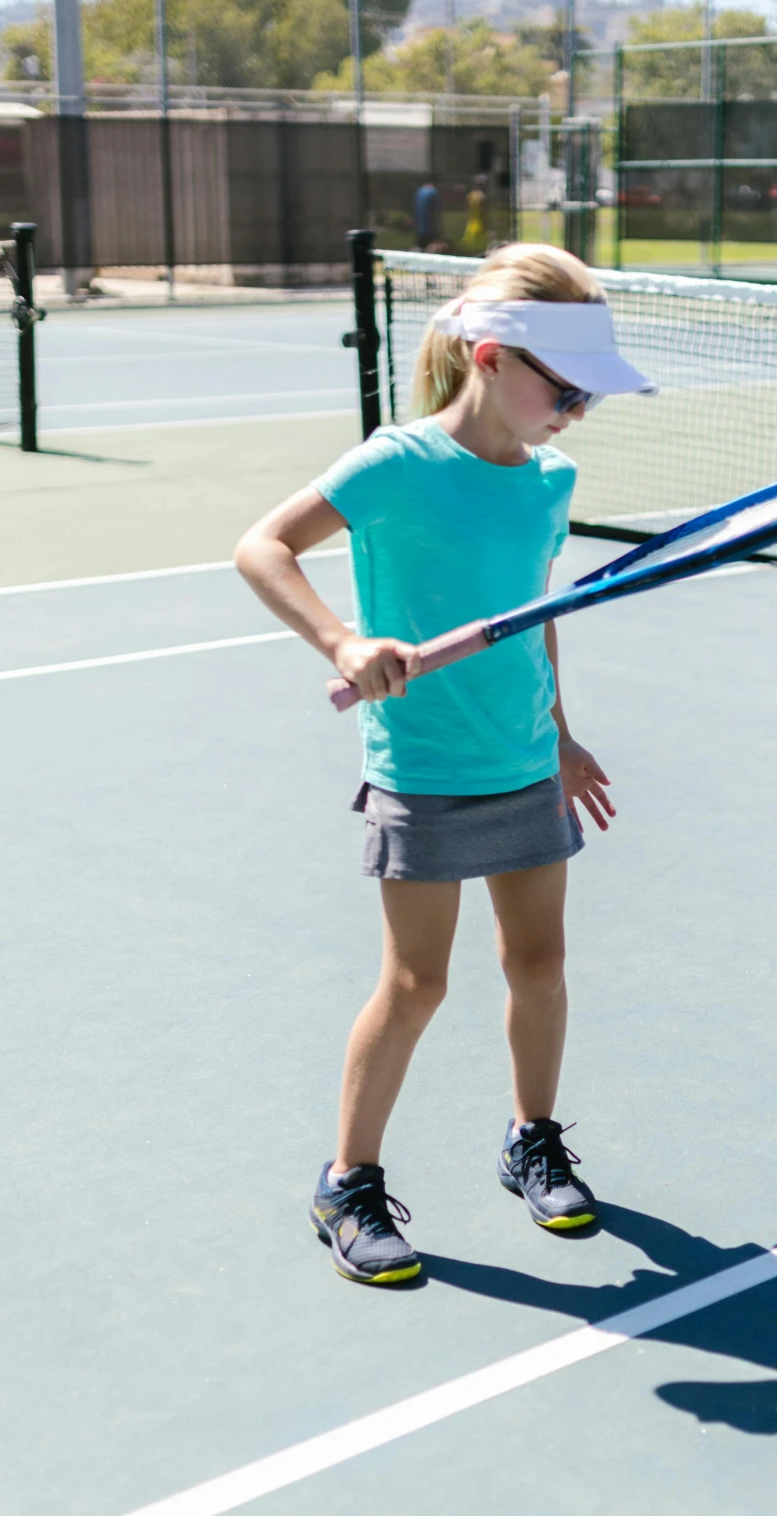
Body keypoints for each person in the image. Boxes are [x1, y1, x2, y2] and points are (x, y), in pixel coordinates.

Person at [235, 244, 656, 1286]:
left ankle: (533, 1139)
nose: (574, 414)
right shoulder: (398, 464)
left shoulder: (550, 479)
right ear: (488, 356)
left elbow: (535, 618)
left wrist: (559, 734)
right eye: (563, 390)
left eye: (588, 398)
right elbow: (262, 546)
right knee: (417, 983)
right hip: (422, 767)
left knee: (540, 966)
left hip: (519, 758)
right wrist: (342, 642)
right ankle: (349, 1181)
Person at [461, 180, 489, 254]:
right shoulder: (483, 197)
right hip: (480, 226)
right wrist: (487, 226)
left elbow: (466, 211)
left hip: (470, 225)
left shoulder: (469, 195)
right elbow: (484, 213)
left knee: (470, 250)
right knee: (480, 251)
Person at [413, 180, 441, 252]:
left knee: (420, 246)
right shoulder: (433, 192)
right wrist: (438, 227)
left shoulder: (419, 191)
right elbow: (435, 211)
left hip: (420, 226)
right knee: (431, 247)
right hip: (430, 227)